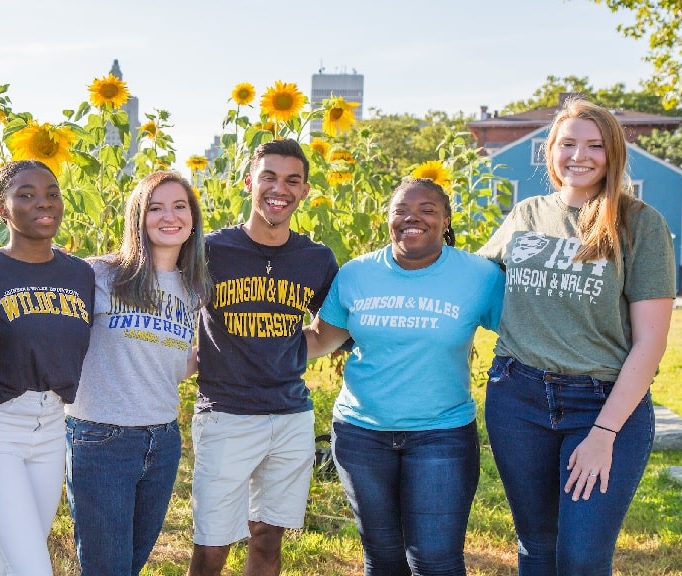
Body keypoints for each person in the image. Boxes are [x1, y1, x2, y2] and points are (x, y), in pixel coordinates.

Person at [477, 97, 676, 575]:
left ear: (612, 154)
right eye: (568, 143)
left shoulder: (639, 224)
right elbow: (470, 283)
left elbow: (650, 342)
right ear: (551, 150)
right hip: (517, 397)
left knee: (582, 557)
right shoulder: (526, 215)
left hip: (603, 402)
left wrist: (604, 432)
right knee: (537, 546)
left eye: (595, 145)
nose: (579, 156)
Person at [304, 177, 505, 575]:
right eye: (401, 210)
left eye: (427, 210)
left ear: (446, 220)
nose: (412, 218)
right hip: (361, 434)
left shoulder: (479, 276)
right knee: (382, 558)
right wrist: (243, 345)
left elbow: (525, 335)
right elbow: (318, 340)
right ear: (388, 219)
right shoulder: (357, 273)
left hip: (441, 434)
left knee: (436, 560)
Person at [187, 139, 339, 576]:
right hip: (225, 415)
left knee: (268, 538)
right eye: (269, 176)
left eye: (293, 180)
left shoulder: (315, 258)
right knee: (212, 544)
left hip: (290, 416)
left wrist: (299, 350)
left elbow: (331, 325)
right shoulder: (210, 250)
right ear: (249, 181)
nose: (280, 189)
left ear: (304, 191)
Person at [65, 170, 212, 575]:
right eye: (156, 207)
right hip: (101, 437)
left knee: (131, 563)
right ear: (138, 218)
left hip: (163, 440)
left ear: (193, 219)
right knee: (106, 567)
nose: (170, 216)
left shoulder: (192, 290)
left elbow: (170, 362)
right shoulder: (99, 275)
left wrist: (209, 357)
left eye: (180, 206)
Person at [0, 160, 95, 576]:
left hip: (52, 428)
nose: (43, 203)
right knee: (34, 566)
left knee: (13, 558)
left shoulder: (79, 273)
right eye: (26, 195)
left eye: (52, 193)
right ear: (2, 208)